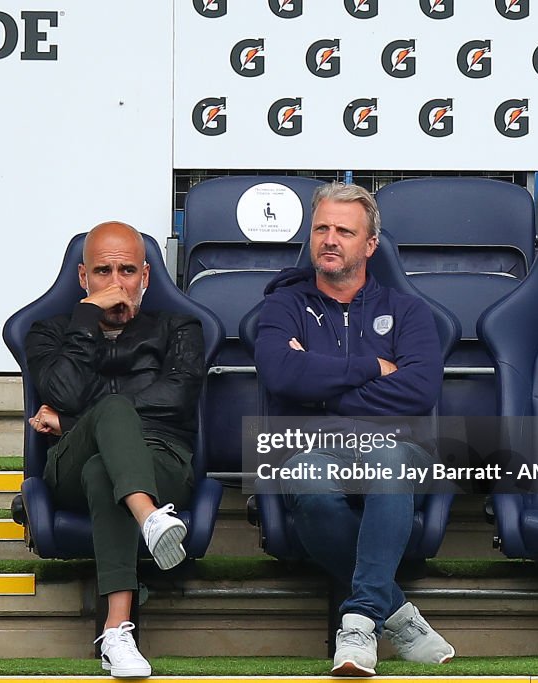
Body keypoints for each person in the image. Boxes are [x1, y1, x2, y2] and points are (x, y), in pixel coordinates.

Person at [254, 183, 455, 676]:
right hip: (311, 449)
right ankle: (400, 617)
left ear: (369, 246)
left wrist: (319, 386)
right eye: (321, 228)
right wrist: (372, 365)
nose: (330, 239)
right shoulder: (283, 307)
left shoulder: (409, 312)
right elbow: (280, 374)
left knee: (385, 458)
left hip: (396, 448)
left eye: (345, 231)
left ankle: (361, 620)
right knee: (308, 483)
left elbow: (418, 391)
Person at [25, 221, 204, 678]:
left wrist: (67, 420)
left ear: (146, 276)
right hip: (69, 463)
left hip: (160, 460)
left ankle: (117, 633)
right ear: (83, 279)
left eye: (127, 271)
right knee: (110, 419)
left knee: (105, 472)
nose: (116, 283)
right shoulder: (47, 332)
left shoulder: (179, 327)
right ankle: (151, 519)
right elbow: (60, 388)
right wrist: (86, 318)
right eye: (103, 271)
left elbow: (178, 398)